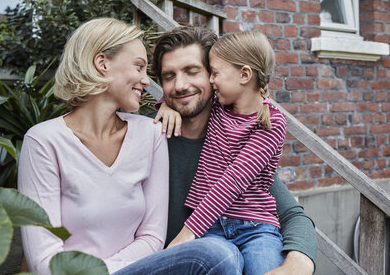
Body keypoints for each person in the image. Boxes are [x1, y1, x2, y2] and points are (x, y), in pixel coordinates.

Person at [115, 26, 316, 275]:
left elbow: (291, 214)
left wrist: (299, 261)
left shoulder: (237, 137)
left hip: (238, 244)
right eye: (169, 77)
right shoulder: (145, 134)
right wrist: (162, 107)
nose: (179, 85)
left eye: (192, 72)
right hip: (173, 263)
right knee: (221, 255)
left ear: (214, 76)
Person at [17, 18, 170, 274]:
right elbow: (43, 260)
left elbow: (153, 238)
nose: (146, 80)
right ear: (102, 63)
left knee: (213, 253)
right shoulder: (43, 142)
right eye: (139, 66)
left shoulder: (150, 134)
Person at [163, 30, 286, 274]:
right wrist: (166, 106)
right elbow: (186, 97)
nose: (211, 81)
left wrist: (188, 233)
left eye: (216, 73)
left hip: (256, 228)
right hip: (212, 230)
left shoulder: (271, 121)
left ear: (244, 75)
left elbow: (233, 181)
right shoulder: (219, 107)